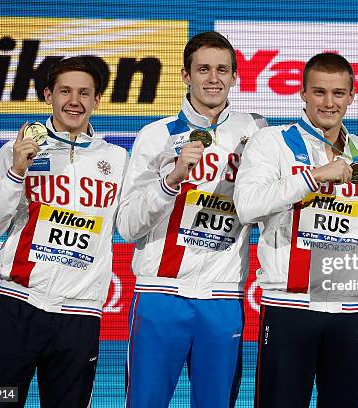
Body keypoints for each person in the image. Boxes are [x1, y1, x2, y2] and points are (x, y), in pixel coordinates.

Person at [234, 52, 358, 407]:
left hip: (350, 311)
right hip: (290, 304)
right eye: (319, 92)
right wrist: (313, 177)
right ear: (303, 94)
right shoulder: (273, 142)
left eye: (338, 93)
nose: (329, 102)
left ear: (351, 97)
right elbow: (247, 206)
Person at [117, 31, 267, 407]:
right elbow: (127, 226)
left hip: (222, 298)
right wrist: (170, 182)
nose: (213, 78)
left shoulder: (259, 133)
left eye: (222, 70)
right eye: (203, 69)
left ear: (235, 76)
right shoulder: (156, 136)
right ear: (185, 75)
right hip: (159, 295)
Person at [0, 56, 129, 407]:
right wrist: (14, 175)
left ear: (97, 100)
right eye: (65, 91)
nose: (75, 101)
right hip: (17, 307)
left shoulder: (118, 161)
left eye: (85, 93)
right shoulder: (16, 153)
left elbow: (133, 225)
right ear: (48, 95)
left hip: (79, 316)